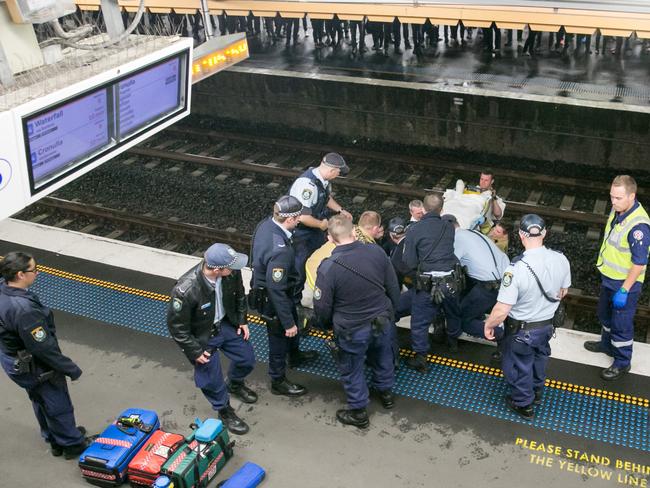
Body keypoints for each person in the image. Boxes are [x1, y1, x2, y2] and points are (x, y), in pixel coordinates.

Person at [0, 252, 90, 458]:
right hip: (35, 365)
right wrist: (70, 368)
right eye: (34, 269)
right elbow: (43, 348)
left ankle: (54, 439)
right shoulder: (23, 309)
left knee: (39, 399)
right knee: (57, 402)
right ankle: (72, 444)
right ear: (21, 275)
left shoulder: (3, 289)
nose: (37, 272)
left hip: (13, 359)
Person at [313, 216, 400, 428]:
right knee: (382, 355)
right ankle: (386, 393)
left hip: (351, 329)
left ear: (330, 238)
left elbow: (322, 306)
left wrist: (325, 325)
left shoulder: (328, 268)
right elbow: (393, 286)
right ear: (354, 232)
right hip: (381, 319)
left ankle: (359, 411)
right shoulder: (377, 252)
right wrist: (392, 314)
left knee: (352, 368)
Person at [484, 215, 570, 419]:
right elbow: (563, 291)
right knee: (540, 357)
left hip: (521, 331)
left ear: (521, 235)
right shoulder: (561, 258)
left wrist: (489, 324)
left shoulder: (516, 269)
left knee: (518, 364)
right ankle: (537, 392)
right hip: (547, 327)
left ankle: (524, 403)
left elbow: (502, 309)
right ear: (544, 233)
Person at [167, 244, 256, 435]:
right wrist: (195, 351)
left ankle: (235, 382)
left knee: (247, 358)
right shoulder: (186, 290)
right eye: (230, 267)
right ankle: (224, 411)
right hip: (202, 336)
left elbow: (240, 294)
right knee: (212, 380)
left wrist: (242, 320)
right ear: (217, 269)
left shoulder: (230, 272)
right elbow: (177, 327)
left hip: (225, 324)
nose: (235, 269)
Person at [251, 196, 319, 397]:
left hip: (274, 292)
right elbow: (276, 290)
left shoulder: (265, 225)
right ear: (289, 220)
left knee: (290, 330)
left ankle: (295, 355)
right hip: (275, 300)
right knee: (279, 338)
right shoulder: (279, 250)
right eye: (298, 217)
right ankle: (278, 380)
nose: (300, 220)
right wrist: (288, 322)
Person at [584, 175, 650, 380]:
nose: (613, 202)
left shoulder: (639, 226)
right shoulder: (618, 210)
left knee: (621, 324)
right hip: (610, 278)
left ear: (632, 196)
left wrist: (624, 289)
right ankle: (606, 345)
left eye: (618, 198)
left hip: (624, 285)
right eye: (612, 197)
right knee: (605, 315)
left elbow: (639, 263)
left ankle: (622, 362)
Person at [402, 194, 463, 370]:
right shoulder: (449, 227)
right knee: (452, 312)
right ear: (441, 209)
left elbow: (410, 262)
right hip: (451, 282)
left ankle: (421, 358)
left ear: (423, 209)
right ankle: (452, 342)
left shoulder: (414, 230)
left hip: (428, 285)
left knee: (419, 321)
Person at [289, 153, 351, 303]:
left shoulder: (322, 180)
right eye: (338, 172)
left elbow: (326, 197)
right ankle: (294, 303)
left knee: (320, 260)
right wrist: (321, 225)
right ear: (332, 170)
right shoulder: (307, 185)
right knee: (298, 269)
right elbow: (302, 217)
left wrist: (340, 210)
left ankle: (321, 294)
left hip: (314, 230)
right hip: (301, 234)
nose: (338, 175)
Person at [450, 216, 510, 341]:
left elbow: (450, 262)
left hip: (488, 287)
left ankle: (500, 335)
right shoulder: (474, 233)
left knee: (461, 319)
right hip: (505, 283)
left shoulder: (458, 238)